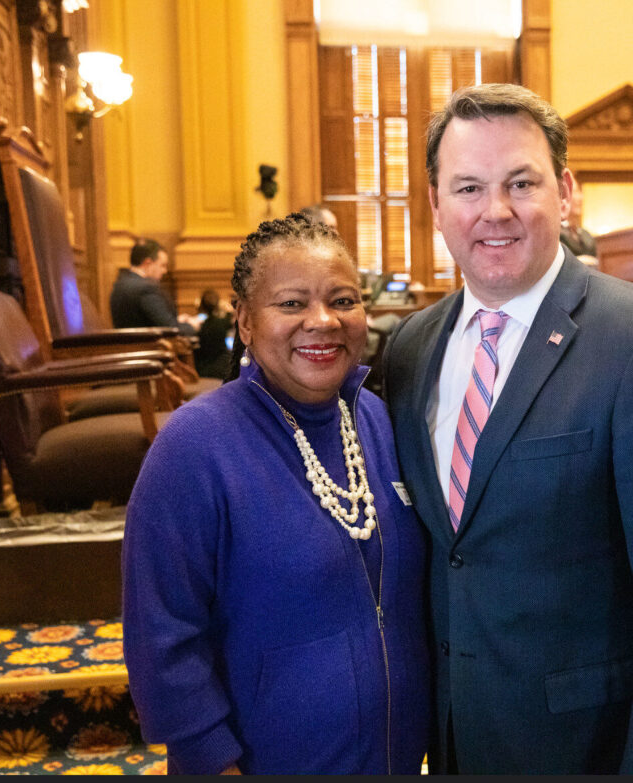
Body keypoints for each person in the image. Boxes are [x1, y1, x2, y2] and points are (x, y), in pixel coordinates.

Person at [382, 83, 633, 774]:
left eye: (522, 182)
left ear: (566, 190)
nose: (496, 210)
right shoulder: (410, 348)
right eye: (467, 187)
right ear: (434, 204)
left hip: (587, 749)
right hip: (452, 740)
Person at [122, 213, 430, 775]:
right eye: (291, 304)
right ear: (244, 321)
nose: (322, 321)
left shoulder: (381, 421)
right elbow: (161, 632)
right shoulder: (193, 447)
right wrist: (210, 757)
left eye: (343, 300)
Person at [109, 238, 198, 334]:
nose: (165, 271)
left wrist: (176, 320)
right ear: (147, 263)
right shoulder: (146, 289)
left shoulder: (120, 283)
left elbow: (146, 321)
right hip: (149, 346)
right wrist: (192, 325)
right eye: (162, 265)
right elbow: (170, 330)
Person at [193, 288, 235, 379]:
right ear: (217, 304)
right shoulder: (224, 322)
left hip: (203, 369)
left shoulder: (200, 326)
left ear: (202, 306)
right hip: (223, 367)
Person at [559, 181, 598, 264]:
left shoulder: (586, 235)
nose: (581, 198)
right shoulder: (553, 234)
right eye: (575, 192)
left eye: (580, 192)